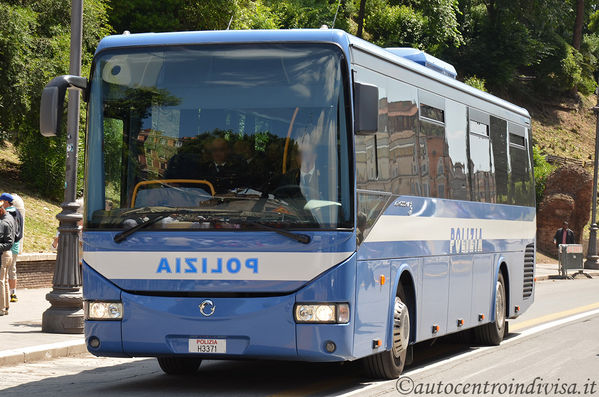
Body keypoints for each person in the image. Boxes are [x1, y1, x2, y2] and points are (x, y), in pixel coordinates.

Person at [0, 193, 23, 303]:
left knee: (4, 272)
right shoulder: (18, 212)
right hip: (15, 245)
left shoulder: (7, 213)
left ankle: (4, 297)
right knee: (12, 269)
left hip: (7, 246)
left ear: (5, 202)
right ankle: (13, 293)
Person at [0, 200, 15, 316]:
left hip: (3, 254)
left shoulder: (3, 223)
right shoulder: (9, 218)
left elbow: (8, 242)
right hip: (7, 253)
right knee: (4, 281)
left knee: (1, 281)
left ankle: (1, 308)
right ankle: (5, 306)